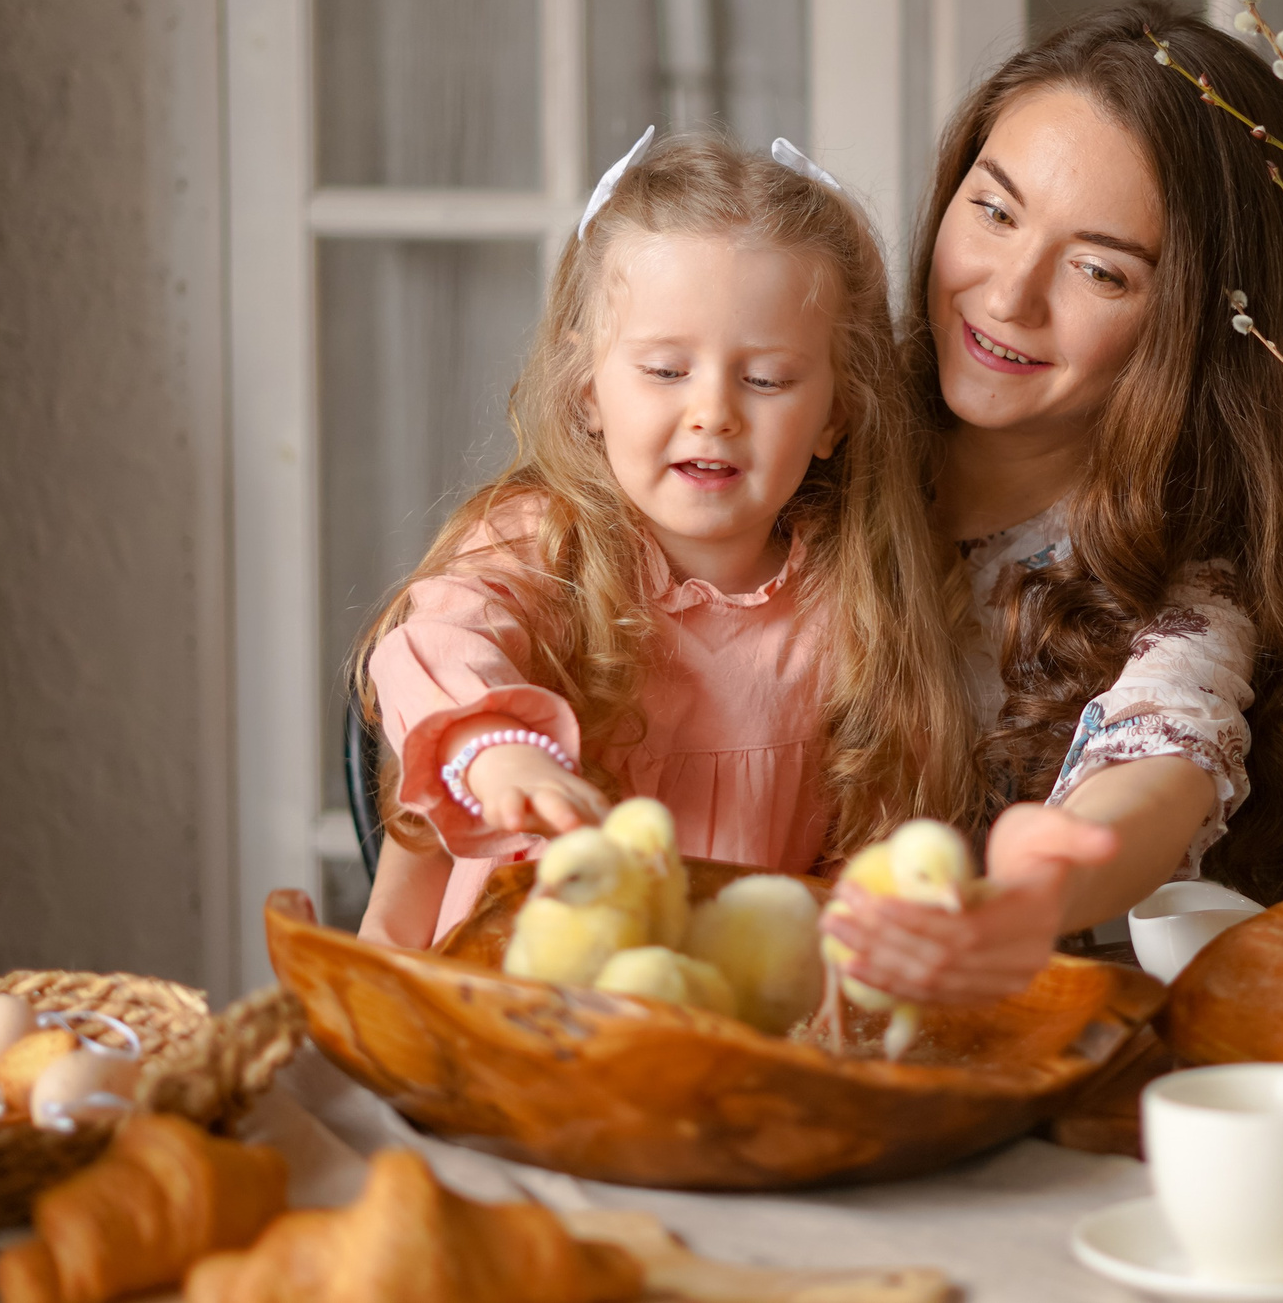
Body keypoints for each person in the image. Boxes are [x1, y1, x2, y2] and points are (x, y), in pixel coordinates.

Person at [820, 0, 1283, 1002]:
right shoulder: (808, 435)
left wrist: (1047, 871)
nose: (1008, 292)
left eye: (1099, 269)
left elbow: (1160, 765)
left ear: (1199, 328)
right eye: (993, 210)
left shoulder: (1181, 590)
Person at [353, 130, 972, 948]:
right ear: (587, 393)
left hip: (729, 1029)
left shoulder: (856, 602)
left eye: (766, 379)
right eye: (665, 370)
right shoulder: (542, 550)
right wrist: (496, 752)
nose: (713, 411)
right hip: (519, 1019)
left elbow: (861, 884)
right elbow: (436, 638)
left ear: (836, 414)